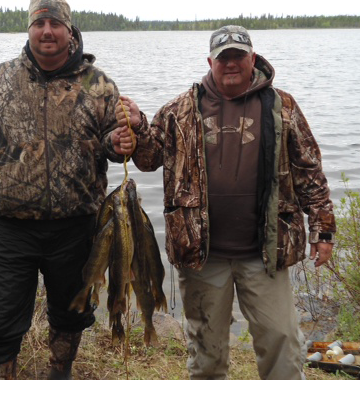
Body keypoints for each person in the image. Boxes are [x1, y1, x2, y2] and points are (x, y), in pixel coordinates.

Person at [111, 25, 336, 380]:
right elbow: (148, 158)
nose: (230, 63)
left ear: (252, 58)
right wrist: (136, 126)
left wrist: (323, 230)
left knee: (282, 342)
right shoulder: (180, 109)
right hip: (202, 256)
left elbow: (309, 170)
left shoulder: (282, 106)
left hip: (264, 252)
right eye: (223, 57)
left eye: (238, 56)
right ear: (210, 61)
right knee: (206, 354)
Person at [0, 0, 127, 380]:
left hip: (76, 225)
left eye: (55, 24)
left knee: (72, 312)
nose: (46, 31)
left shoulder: (99, 85)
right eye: (39, 23)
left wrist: (119, 143)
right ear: (29, 28)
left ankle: (59, 373)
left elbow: (116, 144)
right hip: (10, 227)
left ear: (70, 30)